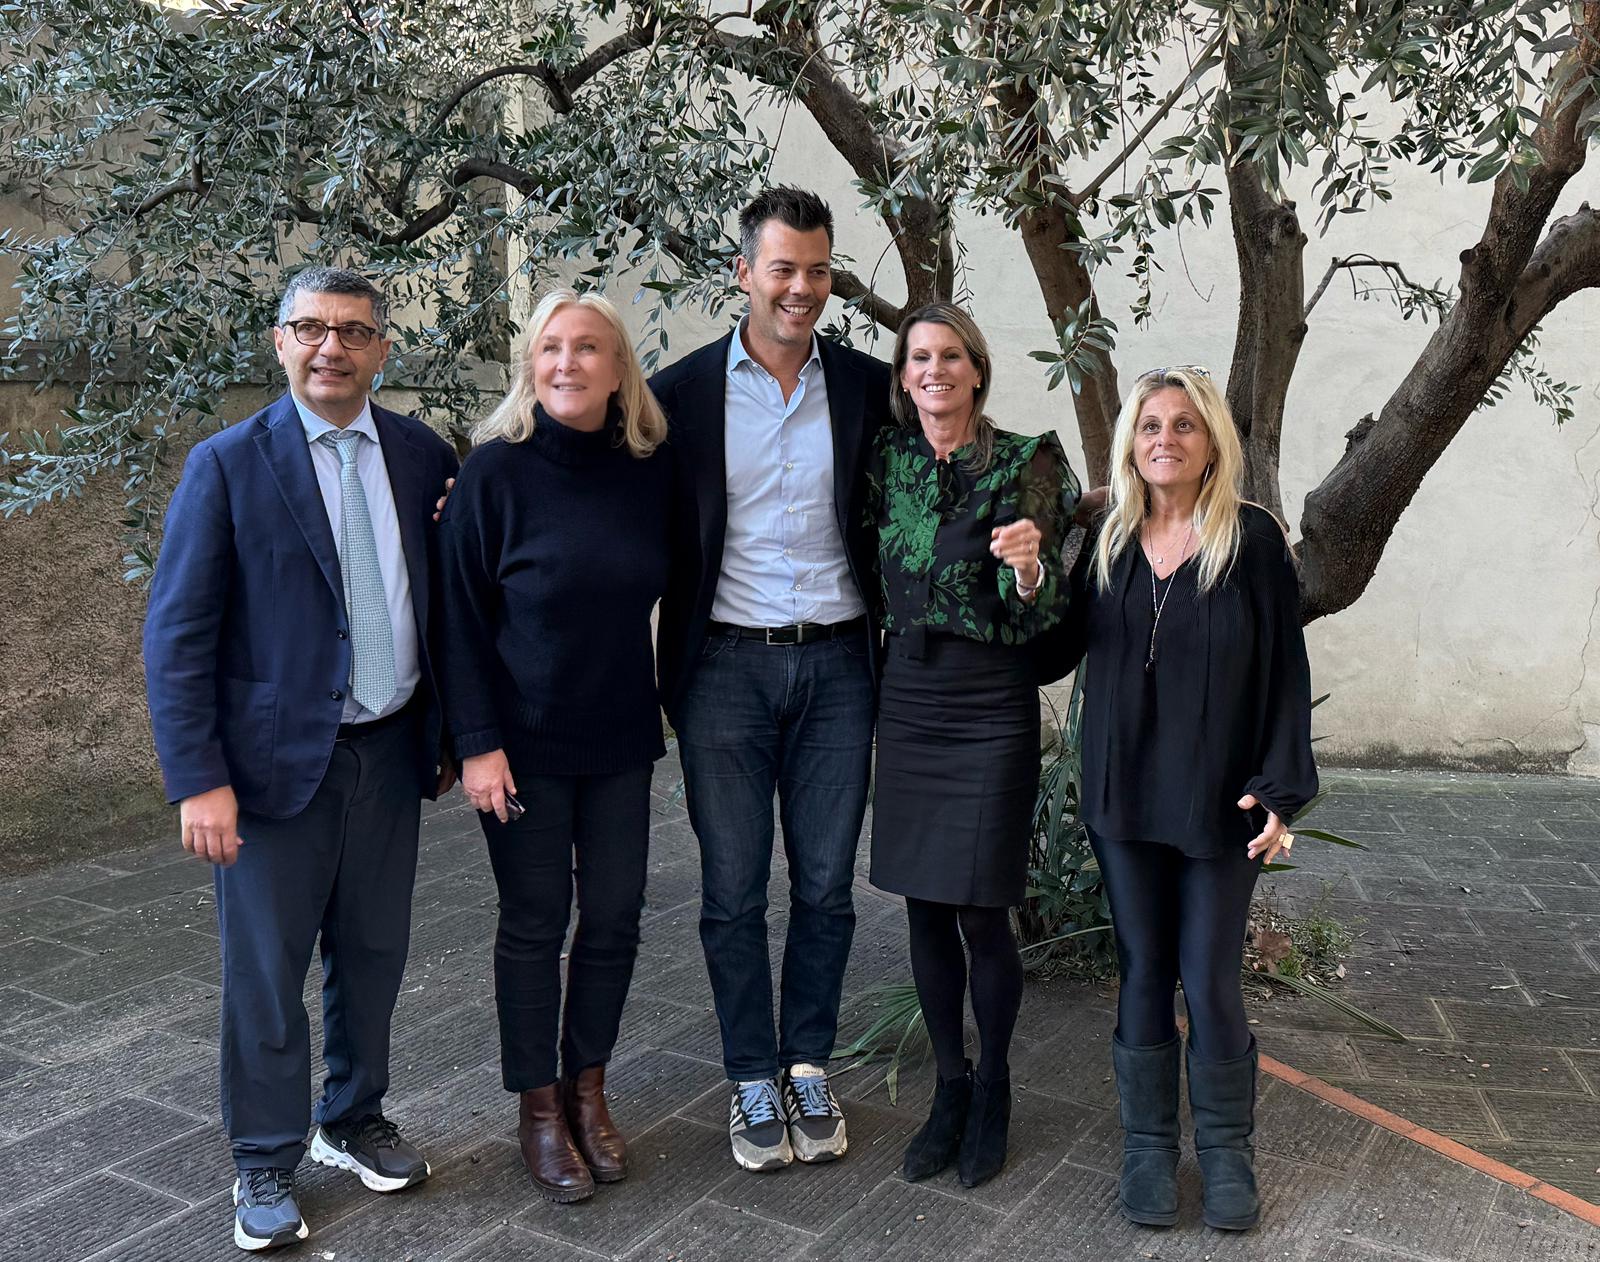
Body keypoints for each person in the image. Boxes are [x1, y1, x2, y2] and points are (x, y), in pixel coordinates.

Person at [143, 266, 459, 1252]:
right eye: (312, 329)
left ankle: (353, 1114)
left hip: (390, 751)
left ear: (381, 348)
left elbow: (443, 603)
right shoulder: (229, 465)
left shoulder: (419, 455)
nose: (333, 347)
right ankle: (266, 1159)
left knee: (373, 955)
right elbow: (177, 634)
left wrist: (448, 732)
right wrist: (198, 777)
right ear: (280, 342)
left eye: (354, 331)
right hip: (273, 772)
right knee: (267, 976)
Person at [650, 187, 891, 1172]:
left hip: (839, 662)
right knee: (733, 888)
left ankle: (806, 1063)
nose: (801, 288)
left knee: (828, 885)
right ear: (743, 272)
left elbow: (948, 471)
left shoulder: (871, 388)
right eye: (783, 268)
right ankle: (750, 1071)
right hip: (723, 671)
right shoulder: (677, 393)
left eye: (819, 270)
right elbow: (592, 476)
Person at [1060, 366, 1317, 1231]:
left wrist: (1281, 792)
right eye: (1149, 426)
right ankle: (1146, 1148)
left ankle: (1227, 1152)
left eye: (1183, 425)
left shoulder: (1250, 541)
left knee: (1207, 979)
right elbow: (1054, 646)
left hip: (1219, 803)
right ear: (1131, 444)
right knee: (1141, 972)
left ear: (1211, 443)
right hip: (1124, 794)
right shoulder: (1108, 539)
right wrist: (1024, 578)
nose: (1164, 438)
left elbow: (1286, 675)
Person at [437, 289, 670, 1204]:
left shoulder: (650, 470)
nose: (568, 363)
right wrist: (478, 744)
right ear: (532, 366)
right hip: (521, 747)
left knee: (613, 917)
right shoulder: (493, 474)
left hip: (619, 736)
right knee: (534, 925)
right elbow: (455, 620)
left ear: (620, 371)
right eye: (551, 348)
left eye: (588, 349)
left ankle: (589, 1089)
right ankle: (538, 1109)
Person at [864, 303, 1081, 1189]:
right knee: (922, 906)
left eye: (951, 355)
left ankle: (994, 1085)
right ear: (903, 375)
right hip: (907, 695)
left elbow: (1048, 601)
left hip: (989, 699)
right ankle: (948, 1088)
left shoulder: (1029, 460)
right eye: (920, 357)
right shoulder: (888, 459)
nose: (935, 370)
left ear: (977, 371)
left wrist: (1029, 565)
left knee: (980, 910)